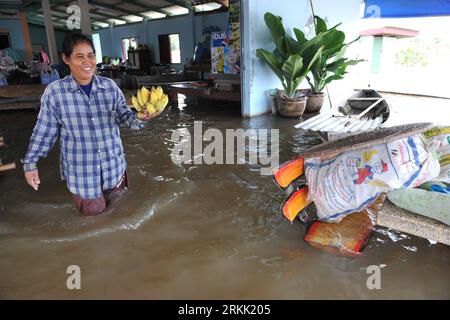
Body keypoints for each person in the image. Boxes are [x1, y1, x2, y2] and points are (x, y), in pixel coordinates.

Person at [22, 32, 158, 216]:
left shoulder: (109, 87)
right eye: (79, 57)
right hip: (83, 176)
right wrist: (30, 163)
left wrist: (142, 117)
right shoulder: (55, 93)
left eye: (91, 55)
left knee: (120, 217)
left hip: (114, 168)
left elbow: (126, 118)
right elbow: (44, 132)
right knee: (93, 222)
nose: (87, 62)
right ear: (66, 59)